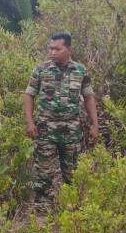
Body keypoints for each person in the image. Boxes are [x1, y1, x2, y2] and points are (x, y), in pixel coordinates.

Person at [24, 32, 100, 204]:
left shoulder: (80, 71)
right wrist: (29, 122)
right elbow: (29, 95)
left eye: (57, 49)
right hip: (45, 130)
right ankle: (43, 207)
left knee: (72, 171)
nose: (52, 52)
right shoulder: (41, 69)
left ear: (68, 49)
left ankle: (72, 205)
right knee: (43, 171)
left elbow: (88, 97)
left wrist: (95, 125)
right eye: (50, 48)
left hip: (71, 131)